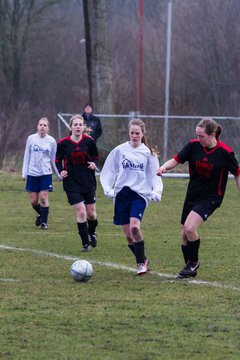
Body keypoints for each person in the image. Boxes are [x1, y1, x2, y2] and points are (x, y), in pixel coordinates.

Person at [157, 117, 240, 278]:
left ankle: (193, 263)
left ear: (212, 134)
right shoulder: (193, 146)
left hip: (211, 198)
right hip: (192, 195)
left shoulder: (225, 152)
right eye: (197, 135)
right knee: (184, 234)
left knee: (189, 228)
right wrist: (163, 167)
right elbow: (176, 160)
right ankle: (190, 268)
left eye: (201, 136)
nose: (198, 138)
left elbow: (237, 173)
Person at [100, 119, 163, 275]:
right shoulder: (119, 150)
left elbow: (155, 174)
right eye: (132, 133)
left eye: (137, 133)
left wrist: (157, 191)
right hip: (122, 194)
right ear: (129, 133)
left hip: (140, 194)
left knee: (135, 227)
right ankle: (143, 259)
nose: (134, 136)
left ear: (143, 134)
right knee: (128, 235)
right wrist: (108, 188)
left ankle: (141, 263)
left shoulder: (149, 153)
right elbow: (109, 170)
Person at [56, 114, 99, 252]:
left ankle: (92, 232)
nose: (78, 127)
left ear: (83, 127)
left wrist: (94, 164)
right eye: (75, 124)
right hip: (71, 183)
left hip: (88, 181)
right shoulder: (63, 143)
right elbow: (57, 160)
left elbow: (96, 157)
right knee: (81, 212)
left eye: (80, 124)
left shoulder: (89, 141)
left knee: (91, 214)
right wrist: (61, 171)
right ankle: (85, 243)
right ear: (71, 127)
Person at [22, 117, 60, 229]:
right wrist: (24, 173)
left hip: (46, 173)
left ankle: (44, 222)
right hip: (32, 173)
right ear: (37, 126)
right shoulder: (31, 139)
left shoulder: (52, 141)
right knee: (34, 201)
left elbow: (54, 159)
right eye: (40, 125)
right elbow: (27, 156)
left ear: (48, 128)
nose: (42, 127)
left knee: (43, 198)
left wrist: (58, 174)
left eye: (45, 125)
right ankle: (40, 214)